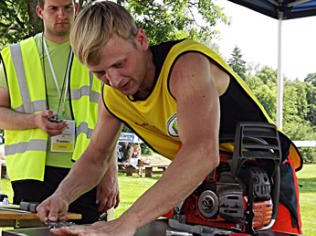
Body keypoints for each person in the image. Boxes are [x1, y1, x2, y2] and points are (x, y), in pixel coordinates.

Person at [36, 2, 302, 235]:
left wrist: (127, 222)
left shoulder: (186, 66)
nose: (114, 80)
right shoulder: (112, 96)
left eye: (119, 64)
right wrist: (62, 195)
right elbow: (96, 157)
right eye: (100, 73)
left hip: (263, 177)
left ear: (141, 39)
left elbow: (201, 152)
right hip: (204, 181)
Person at [0, 0, 119, 224]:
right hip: (32, 174)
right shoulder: (17, 54)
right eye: (54, 9)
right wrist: (33, 121)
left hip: (86, 171)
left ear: (76, 9)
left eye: (68, 8)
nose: (61, 14)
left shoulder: (95, 53)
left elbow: (112, 117)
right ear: (40, 12)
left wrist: (111, 173)